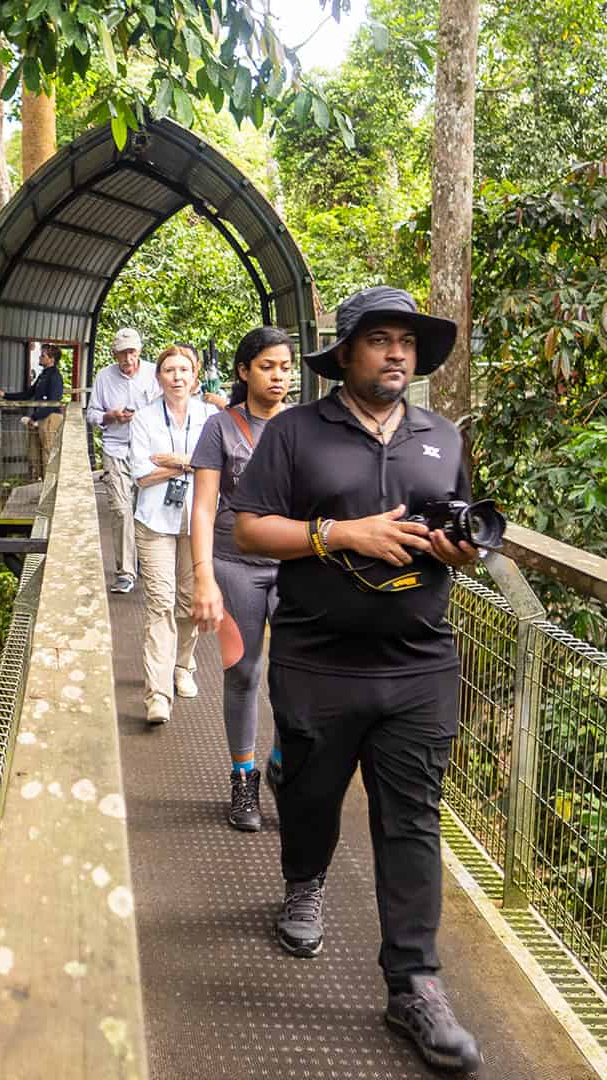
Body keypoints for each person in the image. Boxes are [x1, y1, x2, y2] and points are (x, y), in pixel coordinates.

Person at [229, 286, 484, 1072]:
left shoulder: (442, 437)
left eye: (407, 341)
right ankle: (304, 881)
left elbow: (466, 526)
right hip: (317, 658)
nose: (397, 354)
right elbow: (248, 526)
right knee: (309, 795)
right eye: (380, 340)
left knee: (412, 819)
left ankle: (415, 982)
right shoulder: (298, 432)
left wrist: (461, 552)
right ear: (345, 354)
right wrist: (343, 533)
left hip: (418, 661)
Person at [188, 327, 295, 831]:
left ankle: (282, 762)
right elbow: (204, 508)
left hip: (293, 564)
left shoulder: (300, 427)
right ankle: (243, 777)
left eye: (285, 368)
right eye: (268, 366)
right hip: (233, 564)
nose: (278, 376)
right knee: (245, 671)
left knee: (299, 677)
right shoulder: (220, 428)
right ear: (243, 371)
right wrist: (203, 577)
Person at [130, 345, 220, 724]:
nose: (177, 376)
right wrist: (194, 465)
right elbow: (141, 473)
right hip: (154, 522)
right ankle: (158, 694)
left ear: (195, 375)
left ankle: (183, 666)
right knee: (161, 604)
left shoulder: (210, 415)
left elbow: (220, 466)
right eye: (170, 370)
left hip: (197, 521)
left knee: (187, 600)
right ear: (159, 376)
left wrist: (173, 461)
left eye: (184, 369)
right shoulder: (144, 418)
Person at [86, 328, 160, 593]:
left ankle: (147, 563)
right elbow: (91, 414)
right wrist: (111, 416)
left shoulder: (154, 373)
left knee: (146, 508)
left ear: (139, 350)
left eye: (132, 351)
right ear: (114, 354)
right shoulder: (105, 377)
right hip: (115, 449)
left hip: (148, 451)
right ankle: (126, 571)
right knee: (120, 509)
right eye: (122, 353)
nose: (128, 358)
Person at [0, 343, 65, 476]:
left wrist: (34, 417)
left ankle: (50, 488)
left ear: (51, 359)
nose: (40, 357)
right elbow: (27, 394)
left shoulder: (55, 376)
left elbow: (53, 402)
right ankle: (41, 483)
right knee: (35, 454)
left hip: (50, 417)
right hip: (40, 417)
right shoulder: (43, 375)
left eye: (43, 355)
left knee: (47, 453)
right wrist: (4, 395)